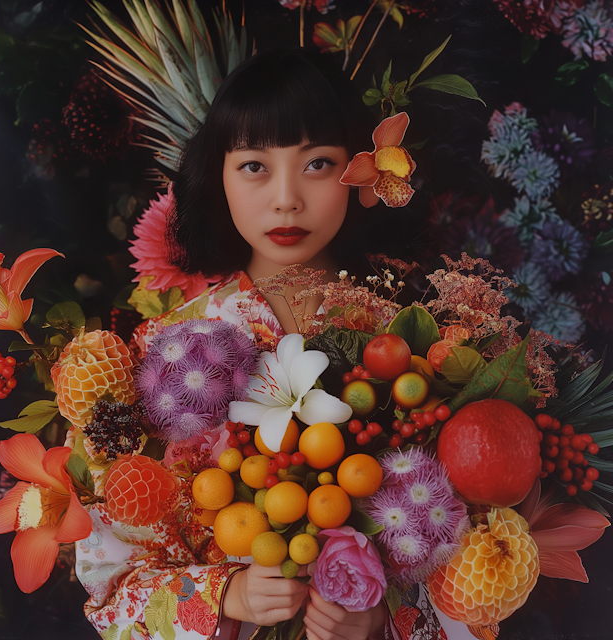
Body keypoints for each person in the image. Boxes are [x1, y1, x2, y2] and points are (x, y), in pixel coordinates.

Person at [75, 48, 445, 640]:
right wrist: (225, 596)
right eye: (253, 166)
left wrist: (381, 620)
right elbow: (109, 580)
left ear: (364, 171)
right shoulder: (164, 354)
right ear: (217, 176)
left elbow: (477, 566)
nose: (285, 198)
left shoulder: (416, 347)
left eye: (317, 164)